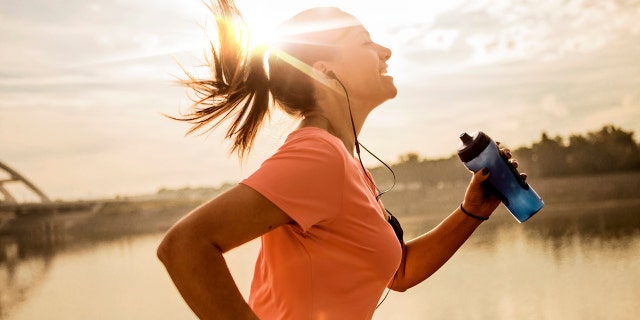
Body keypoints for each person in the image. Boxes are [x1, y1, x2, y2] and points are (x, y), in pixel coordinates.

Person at [158, 1, 520, 319]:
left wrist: (472, 212)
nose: (386, 51)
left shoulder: (347, 164)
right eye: (365, 42)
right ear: (324, 70)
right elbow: (185, 246)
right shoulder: (318, 157)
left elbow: (400, 272)